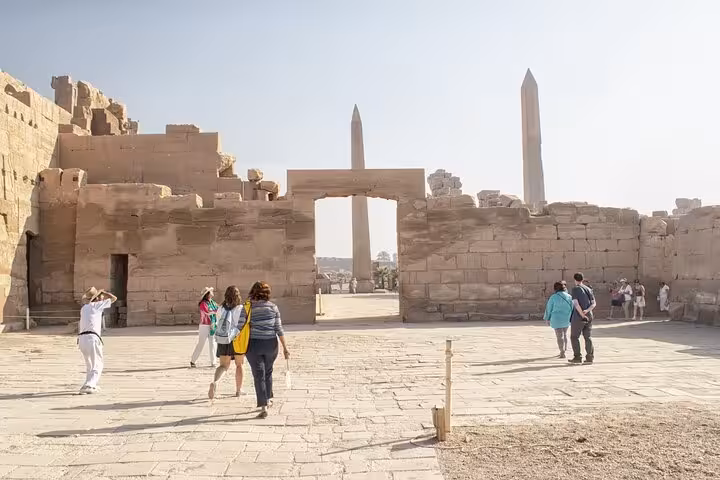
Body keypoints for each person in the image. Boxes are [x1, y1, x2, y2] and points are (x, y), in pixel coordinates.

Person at [244, 281, 290, 419]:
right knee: (268, 371)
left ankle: (264, 405)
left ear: (253, 291)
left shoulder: (247, 307)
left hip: (253, 344)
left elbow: (240, 326)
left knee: (259, 375)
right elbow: (278, 328)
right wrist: (285, 348)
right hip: (271, 344)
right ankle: (268, 399)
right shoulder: (273, 307)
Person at [78, 286, 117, 394]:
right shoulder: (97, 305)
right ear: (98, 298)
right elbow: (114, 299)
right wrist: (105, 293)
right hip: (92, 338)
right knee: (97, 364)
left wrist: (100, 295)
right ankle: (90, 385)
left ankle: (88, 384)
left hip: (82, 339)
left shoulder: (84, 308)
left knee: (90, 364)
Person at [208, 286, 245, 399]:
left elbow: (218, 322)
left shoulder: (220, 309)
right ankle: (238, 391)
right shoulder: (240, 308)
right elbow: (242, 325)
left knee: (223, 366)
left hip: (223, 339)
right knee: (239, 365)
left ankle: (216, 382)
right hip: (237, 339)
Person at [568, 272, 596, 365]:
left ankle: (577, 357)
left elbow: (576, 303)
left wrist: (582, 314)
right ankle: (589, 357)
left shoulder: (576, 289)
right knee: (587, 337)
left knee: (574, 336)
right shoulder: (588, 288)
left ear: (575, 279)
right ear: (582, 279)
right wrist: (587, 311)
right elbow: (594, 303)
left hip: (579, 316)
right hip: (589, 315)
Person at [543, 281, 573, 358]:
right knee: (565, 334)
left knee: (559, 336)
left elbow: (549, 308)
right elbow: (572, 308)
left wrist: (547, 318)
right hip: (566, 318)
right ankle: (565, 350)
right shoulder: (569, 296)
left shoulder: (553, 297)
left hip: (556, 318)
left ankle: (562, 352)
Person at [190, 287, 218, 368]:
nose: (212, 293)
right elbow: (207, 312)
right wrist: (216, 311)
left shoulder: (213, 303)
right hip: (204, 325)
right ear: (207, 294)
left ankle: (213, 362)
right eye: (210, 292)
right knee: (201, 343)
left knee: (213, 343)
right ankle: (193, 360)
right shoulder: (203, 304)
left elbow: (218, 309)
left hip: (212, 325)